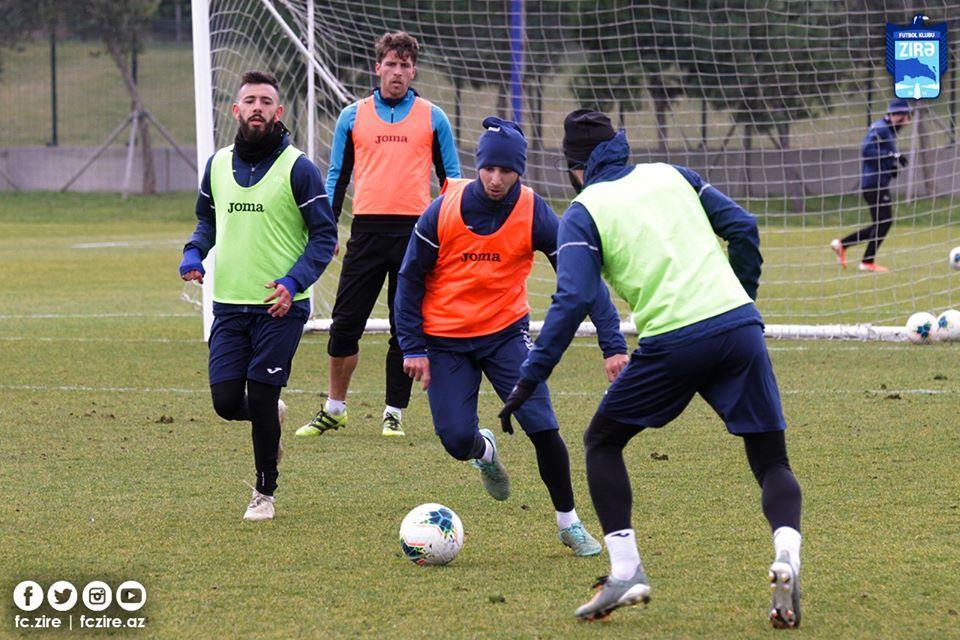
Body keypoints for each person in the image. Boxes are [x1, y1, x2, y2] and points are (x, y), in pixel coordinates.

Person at [499, 110, 804, 627]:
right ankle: (786, 555)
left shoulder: (583, 211)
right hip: (737, 329)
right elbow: (744, 228)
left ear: (575, 168)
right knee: (771, 460)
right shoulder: (673, 174)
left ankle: (626, 571)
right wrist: (742, 297)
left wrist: (530, 376)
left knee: (602, 441)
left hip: (673, 342)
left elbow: (573, 298)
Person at [395, 117, 629, 556]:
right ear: (478, 166)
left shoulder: (533, 210)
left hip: (506, 335)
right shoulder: (442, 210)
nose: (495, 179)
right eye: (488, 168)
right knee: (456, 441)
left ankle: (569, 523)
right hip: (445, 341)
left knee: (543, 427)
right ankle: (484, 450)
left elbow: (582, 276)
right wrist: (413, 346)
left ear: (519, 171)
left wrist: (612, 342)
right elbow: (409, 280)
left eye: (506, 170)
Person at [179, 71, 337, 521]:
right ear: (236, 109)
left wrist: (293, 281)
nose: (257, 108)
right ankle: (272, 416)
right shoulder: (216, 165)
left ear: (278, 111)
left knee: (263, 394)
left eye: (266, 102)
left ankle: (264, 493)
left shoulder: (299, 168)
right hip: (229, 304)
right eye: (249, 100)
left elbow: (324, 236)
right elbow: (207, 221)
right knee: (227, 402)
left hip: (280, 306)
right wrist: (194, 251)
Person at [296, 31, 461, 439]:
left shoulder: (433, 117)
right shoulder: (352, 116)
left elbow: (452, 182)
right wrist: (326, 229)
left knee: (405, 328)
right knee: (344, 323)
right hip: (366, 232)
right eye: (391, 64)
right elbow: (337, 177)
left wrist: (451, 234)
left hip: (416, 236)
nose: (398, 72)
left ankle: (394, 413)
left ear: (413, 70)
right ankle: (335, 408)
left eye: (405, 65)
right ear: (378, 67)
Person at [831, 98, 912, 273]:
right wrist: (892, 156)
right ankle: (866, 261)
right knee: (885, 222)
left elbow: (880, 154)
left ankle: (843, 245)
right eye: (907, 117)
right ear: (899, 115)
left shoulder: (888, 131)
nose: (908, 122)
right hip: (874, 184)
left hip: (877, 182)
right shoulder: (881, 128)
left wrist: (890, 167)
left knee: (880, 224)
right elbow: (866, 150)